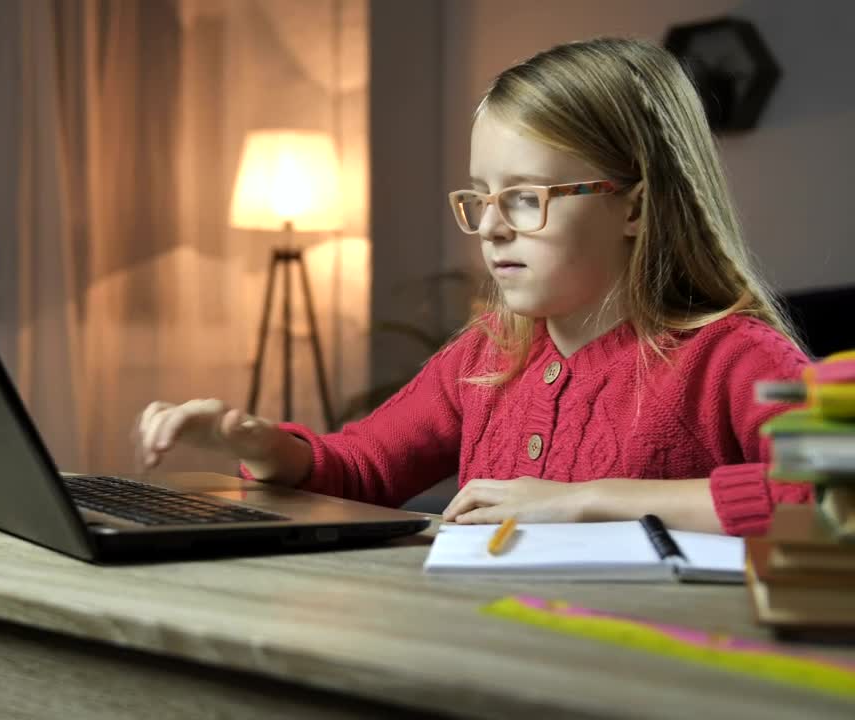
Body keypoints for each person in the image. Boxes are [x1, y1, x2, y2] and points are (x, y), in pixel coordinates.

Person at [134, 37, 812, 536]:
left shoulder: (732, 357)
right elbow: (365, 468)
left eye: (523, 199)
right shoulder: (489, 356)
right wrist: (261, 446)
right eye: (480, 198)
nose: (489, 229)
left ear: (634, 207)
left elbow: (831, 495)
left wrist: (590, 498)